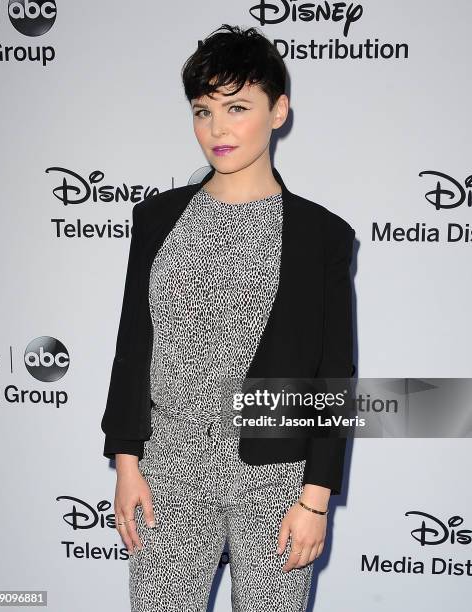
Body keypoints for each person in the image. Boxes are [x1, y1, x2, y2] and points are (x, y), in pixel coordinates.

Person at [101, 23, 356, 612]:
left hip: (276, 481)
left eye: (237, 107)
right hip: (167, 473)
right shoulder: (157, 219)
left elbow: (333, 374)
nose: (217, 128)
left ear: (278, 111)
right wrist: (126, 463)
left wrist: (315, 498)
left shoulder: (322, 235)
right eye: (202, 110)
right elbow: (133, 345)